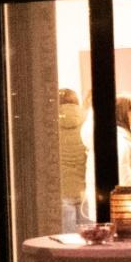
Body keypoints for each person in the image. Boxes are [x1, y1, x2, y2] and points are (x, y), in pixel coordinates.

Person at [56, 88, 89, 228]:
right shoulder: (87, 120)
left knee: (67, 242)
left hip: (62, 190)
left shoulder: (49, 123)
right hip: (84, 190)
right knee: (90, 239)